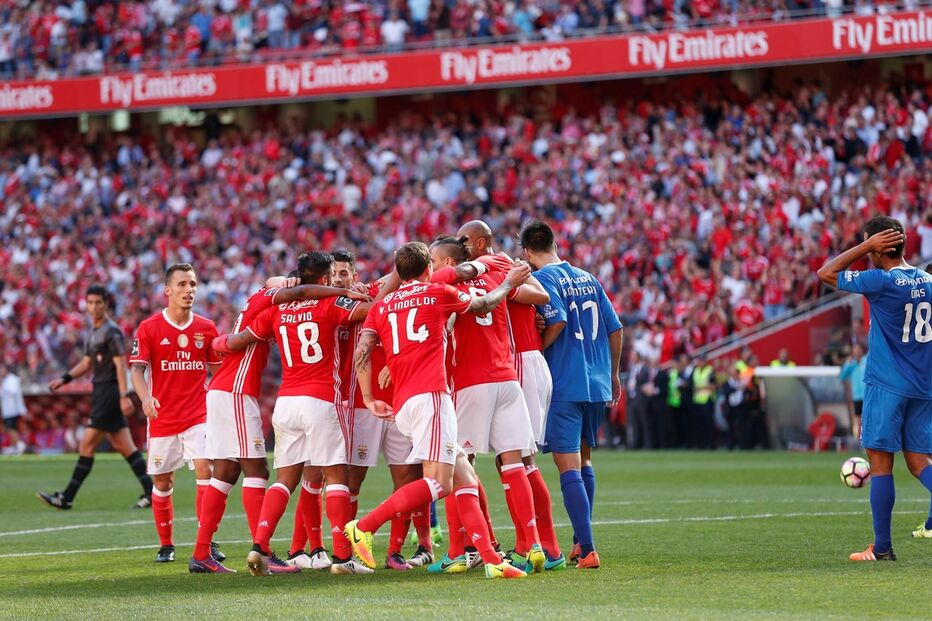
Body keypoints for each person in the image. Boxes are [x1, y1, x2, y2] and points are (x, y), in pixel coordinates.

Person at [344, 241, 528, 580]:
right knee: (439, 485)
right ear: (428, 267)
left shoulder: (381, 306)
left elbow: (363, 348)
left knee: (466, 478)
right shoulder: (436, 292)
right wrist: (508, 283)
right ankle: (364, 526)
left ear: (398, 271)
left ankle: (491, 560)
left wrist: (369, 397)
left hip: (404, 403)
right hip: (431, 396)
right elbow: (484, 303)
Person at [190, 274, 366, 573]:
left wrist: (219, 342)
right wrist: (342, 290)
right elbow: (294, 291)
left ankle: (202, 552)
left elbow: (232, 340)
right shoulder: (269, 299)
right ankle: (264, 550)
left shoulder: (261, 307)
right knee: (258, 470)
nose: (288, 287)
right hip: (237, 391)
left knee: (226, 471)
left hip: (235, 391)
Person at [429, 230, 554, 573]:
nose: (431, 266)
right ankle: (532, 546)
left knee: (459, 465)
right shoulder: (498, 275)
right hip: (507, 379)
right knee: (516, 463)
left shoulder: (445, 288)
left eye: (435, 260)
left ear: (450, 263)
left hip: (470, 385)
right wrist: (499, 269)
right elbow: (537, 296)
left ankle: (460, 549)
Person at [817, 215, 932, 561]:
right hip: (923, 384)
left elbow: (826, 273)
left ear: (880, 249)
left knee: (880, 464)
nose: (868, 255)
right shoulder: (928, 279)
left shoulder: (881, 281)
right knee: (917, 461)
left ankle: (882, 548)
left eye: (871, 248)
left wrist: (865, 245)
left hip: (887, 383)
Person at [520, 221, 623, 569]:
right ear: (554, 243)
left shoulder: (543, 278)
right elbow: (615, 327)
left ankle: (589, 548)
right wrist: (614, 373)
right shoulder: (588, 277)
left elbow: (558, 319)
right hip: (596, 383)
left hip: (565, 381)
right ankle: (581, 542)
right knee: (585, 461)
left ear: (527, 253)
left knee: (568, 469)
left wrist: (539, 346)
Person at [329, 249, 434, 571]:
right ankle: (346, 553)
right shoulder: (359, 298)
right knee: (351, 480)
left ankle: (396, 552)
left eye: (344, 273)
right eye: (334, 274)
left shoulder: (414, 296)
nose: (338, 279)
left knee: (406, 477)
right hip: (364, 403)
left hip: (402, 399)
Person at [129, 263, 222, 564]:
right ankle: (166, 544)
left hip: (199, 414)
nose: (189, 290)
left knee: (206, 469)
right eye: (182, 285)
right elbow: (136, 370)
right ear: (167, 290)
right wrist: (145, 398)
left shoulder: (207, 328)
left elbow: (218, 371)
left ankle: (206, 541)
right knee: (163, 482)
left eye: (193, 284)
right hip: (162, 417)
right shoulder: (149, 328)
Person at [37, 286, 153, 511]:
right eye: (90, 302)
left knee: (87, 444)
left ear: (106, 304)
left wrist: (123, 395)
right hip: (102, 391)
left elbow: (121, 364)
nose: (93, 307)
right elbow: (88, 363)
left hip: (109, 393)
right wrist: (65, 378)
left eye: (98, 302)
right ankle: (150, 492)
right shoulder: (94, 331)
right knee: (125, 446)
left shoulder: (112, 332)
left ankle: (67, 497)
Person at [839, 342, 867, 443]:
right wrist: (848, 364)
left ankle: (867, 441)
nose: (856, 352)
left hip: (867, 395)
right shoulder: (852, 363)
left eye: (858, 349)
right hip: (857, 396)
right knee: (857, 419)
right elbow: (842, 376)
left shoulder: (867, 360)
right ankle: (858, 442)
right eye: (854, 350)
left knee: (867, 419)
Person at [1, 364, 28, 455]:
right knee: (11, 429)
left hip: (12, 410)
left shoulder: (12, 379)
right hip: (7, 410)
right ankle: (14, 447)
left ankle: (20, 444)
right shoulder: (5, 380)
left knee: (10, 429)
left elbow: (13, 392)